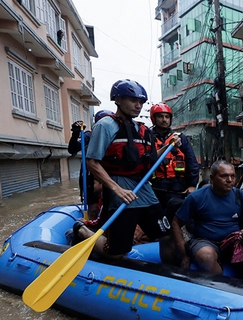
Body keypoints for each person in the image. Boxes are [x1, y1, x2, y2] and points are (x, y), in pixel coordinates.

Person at [74, 79, 182, 258]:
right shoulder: (105, 126)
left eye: (141, 102)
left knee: (167, 237)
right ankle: (83, 231)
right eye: (133, 100)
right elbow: (92, 162)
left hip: (144, 190)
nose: (138, 105)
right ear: (117, 100)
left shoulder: (142, 129)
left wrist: (170, 145)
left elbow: (152, 159)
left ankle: (165, 275)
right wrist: (116, 189)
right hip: (120, 192)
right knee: (117, 252)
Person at [170, 160, 243, 279]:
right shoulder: (196, 197)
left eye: (232, 176)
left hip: (233, 241)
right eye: (224, 176)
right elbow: (176, 223)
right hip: (205, 241)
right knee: (206, 255)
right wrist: (184, 255)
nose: (230, 180)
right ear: (212, 177)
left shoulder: (239, 195)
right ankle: (222, 286)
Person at [148, 103, 199, 221]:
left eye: (167, 117)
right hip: (156, 187)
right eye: (160, 116)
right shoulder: (147, 137)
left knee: (177, 218)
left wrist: (192, 185)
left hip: (177, 187)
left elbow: (192, 162)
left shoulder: (180, 138)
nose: (164, 120)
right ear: (154, 119)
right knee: (158, 219)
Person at [67, 110, 113, 218]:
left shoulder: (116, 136)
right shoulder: (89, 136)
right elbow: (72, 149)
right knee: (93, 208)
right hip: (91, 176)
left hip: (110, 174)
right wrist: (75, 134)